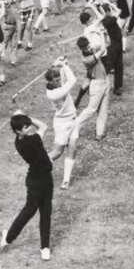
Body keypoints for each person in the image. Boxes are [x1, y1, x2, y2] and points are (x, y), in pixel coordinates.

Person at [0, 112, 54, 261]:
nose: (29, 128)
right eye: (26, 127)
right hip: (38, 181)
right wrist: (28, 116)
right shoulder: (33, 140)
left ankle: (44, 247)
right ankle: (8, 238)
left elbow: (36, 129)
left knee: (43, 212)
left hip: (42, 179)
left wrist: (23, 118)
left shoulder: (18, 141)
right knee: (31, 212)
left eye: (28, 125)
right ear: (18, 130)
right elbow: (43, 125)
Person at [45, 57, 81, 189]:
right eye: (56, 80)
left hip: (73, 120)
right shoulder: (54, 94)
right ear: (50, 82)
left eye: (58, 79)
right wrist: (63, 65)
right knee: (57, 152)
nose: (59, 81)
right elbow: (73, 80)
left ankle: (65, 181)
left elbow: (65, 79)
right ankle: (38, 167)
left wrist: (62, 64)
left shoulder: (59, 86)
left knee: (73, 148)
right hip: (62, 124)